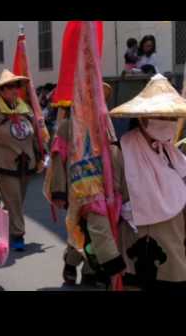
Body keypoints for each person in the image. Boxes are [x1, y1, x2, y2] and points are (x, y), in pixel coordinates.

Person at [110, 74, 186, 290]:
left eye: (172, 117)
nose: (169, 122)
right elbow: (101, 209)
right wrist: (108, 256)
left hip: (177, 253)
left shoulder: (175, 156)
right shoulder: (118, 153)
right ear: (143, 117)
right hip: (139, 253)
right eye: (161, 115)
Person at [46, 83, 115, 287]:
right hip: (75, 186)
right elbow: (59, 158)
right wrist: (59, 189)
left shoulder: (104, 123)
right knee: (78, 228)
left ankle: (88, 268)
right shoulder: (67, 125)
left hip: (99, 185)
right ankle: (71, 262)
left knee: (93, 230)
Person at [0, 69, 44, 251]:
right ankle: (18, 234)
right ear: (1, 91)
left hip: (26, 166)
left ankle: (12, 227)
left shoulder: (25, 109)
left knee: (17, 201)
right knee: (14, 201)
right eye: (9, 87)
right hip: (4, 167)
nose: (14, 90)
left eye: (16, 86)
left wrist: (41, 155)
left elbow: (37, 136)